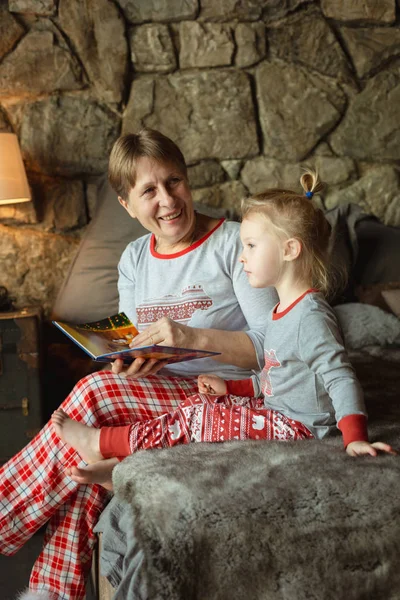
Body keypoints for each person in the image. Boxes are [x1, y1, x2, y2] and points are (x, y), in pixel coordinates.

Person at [0, 128, 276, 600]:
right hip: (156, 397)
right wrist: (125, 364)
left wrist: (192, 337)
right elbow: (129, 345)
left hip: (226, 396)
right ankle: (52, 592)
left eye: (174, 182)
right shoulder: (133, 259)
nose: (167, 200)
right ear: (127, 205)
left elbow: (273, 348)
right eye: (149, 191)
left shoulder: (236, 242)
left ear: (188, 181)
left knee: (90, 396)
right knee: (90, 461)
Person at [51, 169, 395, 465]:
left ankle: (102, 445)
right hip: (278, 411)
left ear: (290, 250)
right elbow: (278, 380)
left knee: (199, 418)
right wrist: (229, 387)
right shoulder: (280, 311)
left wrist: (354, 439)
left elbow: (340, 378)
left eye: (251, 246)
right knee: (205, 404)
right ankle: (113, 464)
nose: (241, 256)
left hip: (302, 427)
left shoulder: (311, 316)